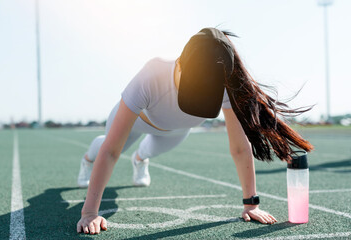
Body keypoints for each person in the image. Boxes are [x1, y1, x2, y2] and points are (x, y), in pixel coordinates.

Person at [76, 28, 313, 235]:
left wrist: (251, 205)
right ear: (179, 64)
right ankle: (87, 160)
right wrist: (89, 213)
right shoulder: (152, 74)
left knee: (146, 152)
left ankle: (140, 160)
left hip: (176, 131)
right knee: (106, 146)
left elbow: (240, 147)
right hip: (138, 121)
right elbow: (111, 152)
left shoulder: (225, 85)